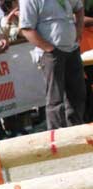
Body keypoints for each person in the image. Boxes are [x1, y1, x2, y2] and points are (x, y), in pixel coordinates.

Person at [20, 0, 86, 129]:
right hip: (51, 54)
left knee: (78, 95)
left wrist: (79, 30)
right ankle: (57, 138)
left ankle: (76, 132)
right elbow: (26, 28)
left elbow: (79, 8)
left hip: (72, 49)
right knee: (55, 99)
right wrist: (50, 49)